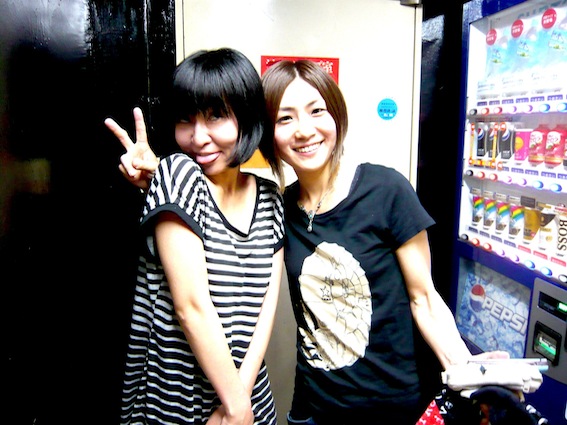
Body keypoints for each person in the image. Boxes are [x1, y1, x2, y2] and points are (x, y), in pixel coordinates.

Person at [114, 57, 509, 425]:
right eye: (285, 118)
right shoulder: (281, 205)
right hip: (313, 409)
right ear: (268, 132)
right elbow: (209, 224)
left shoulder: (386, 189)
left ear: (336, 115)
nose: (304, 130)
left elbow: (425, 299)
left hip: (393, 407)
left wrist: (468, 373)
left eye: (316, 111)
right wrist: (158, 178)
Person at [104, 48, 284, 425]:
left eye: (216, 115)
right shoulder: (177, 174)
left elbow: (266, 312)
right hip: (178, 401)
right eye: (185, 119)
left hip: (250, 399)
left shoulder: (270, 198)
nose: (198, 137)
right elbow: (191, 308)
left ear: (247, 116)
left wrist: (238, 405)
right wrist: (235, 407)